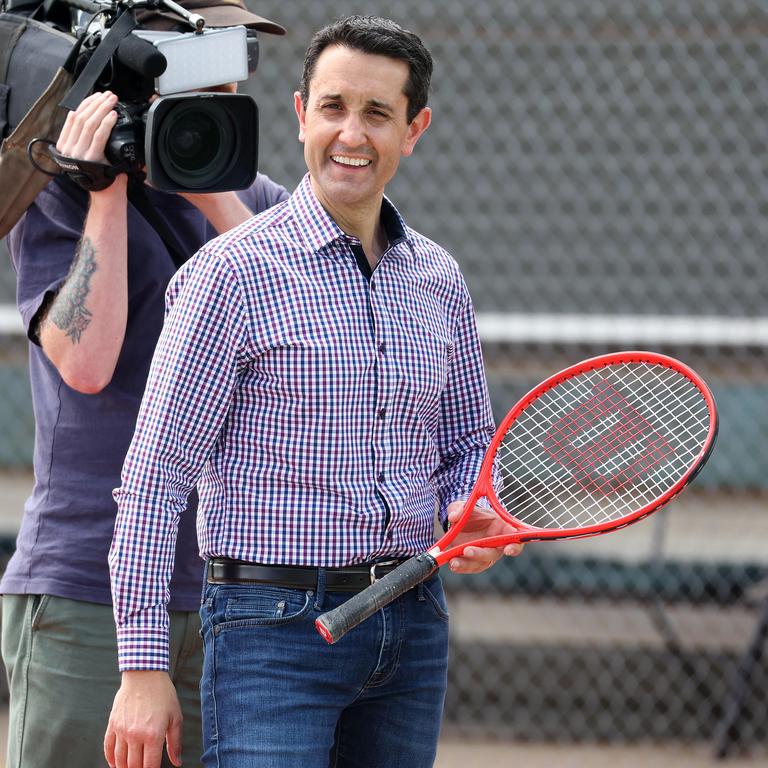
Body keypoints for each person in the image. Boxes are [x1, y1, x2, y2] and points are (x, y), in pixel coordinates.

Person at [106, 15, 523, 768]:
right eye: (333, 107)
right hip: (273, 629)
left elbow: (467, 444)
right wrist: (142, 668)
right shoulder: (230, 276)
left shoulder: (438, 278)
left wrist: (474, 508)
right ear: (301, 114)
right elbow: (152, 480)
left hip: (413, 617)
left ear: (414, 128)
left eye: (376, 114)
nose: (351, 135)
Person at [0, 3, 288, 767]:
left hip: (235, 584)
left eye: (232, 75)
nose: (217, 96)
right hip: (88, 577)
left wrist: (206, 186)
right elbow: (86, 366)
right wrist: (106, 191)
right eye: (193, 77)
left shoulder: (257, 203)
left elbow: (308, 327)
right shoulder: (57, 194)